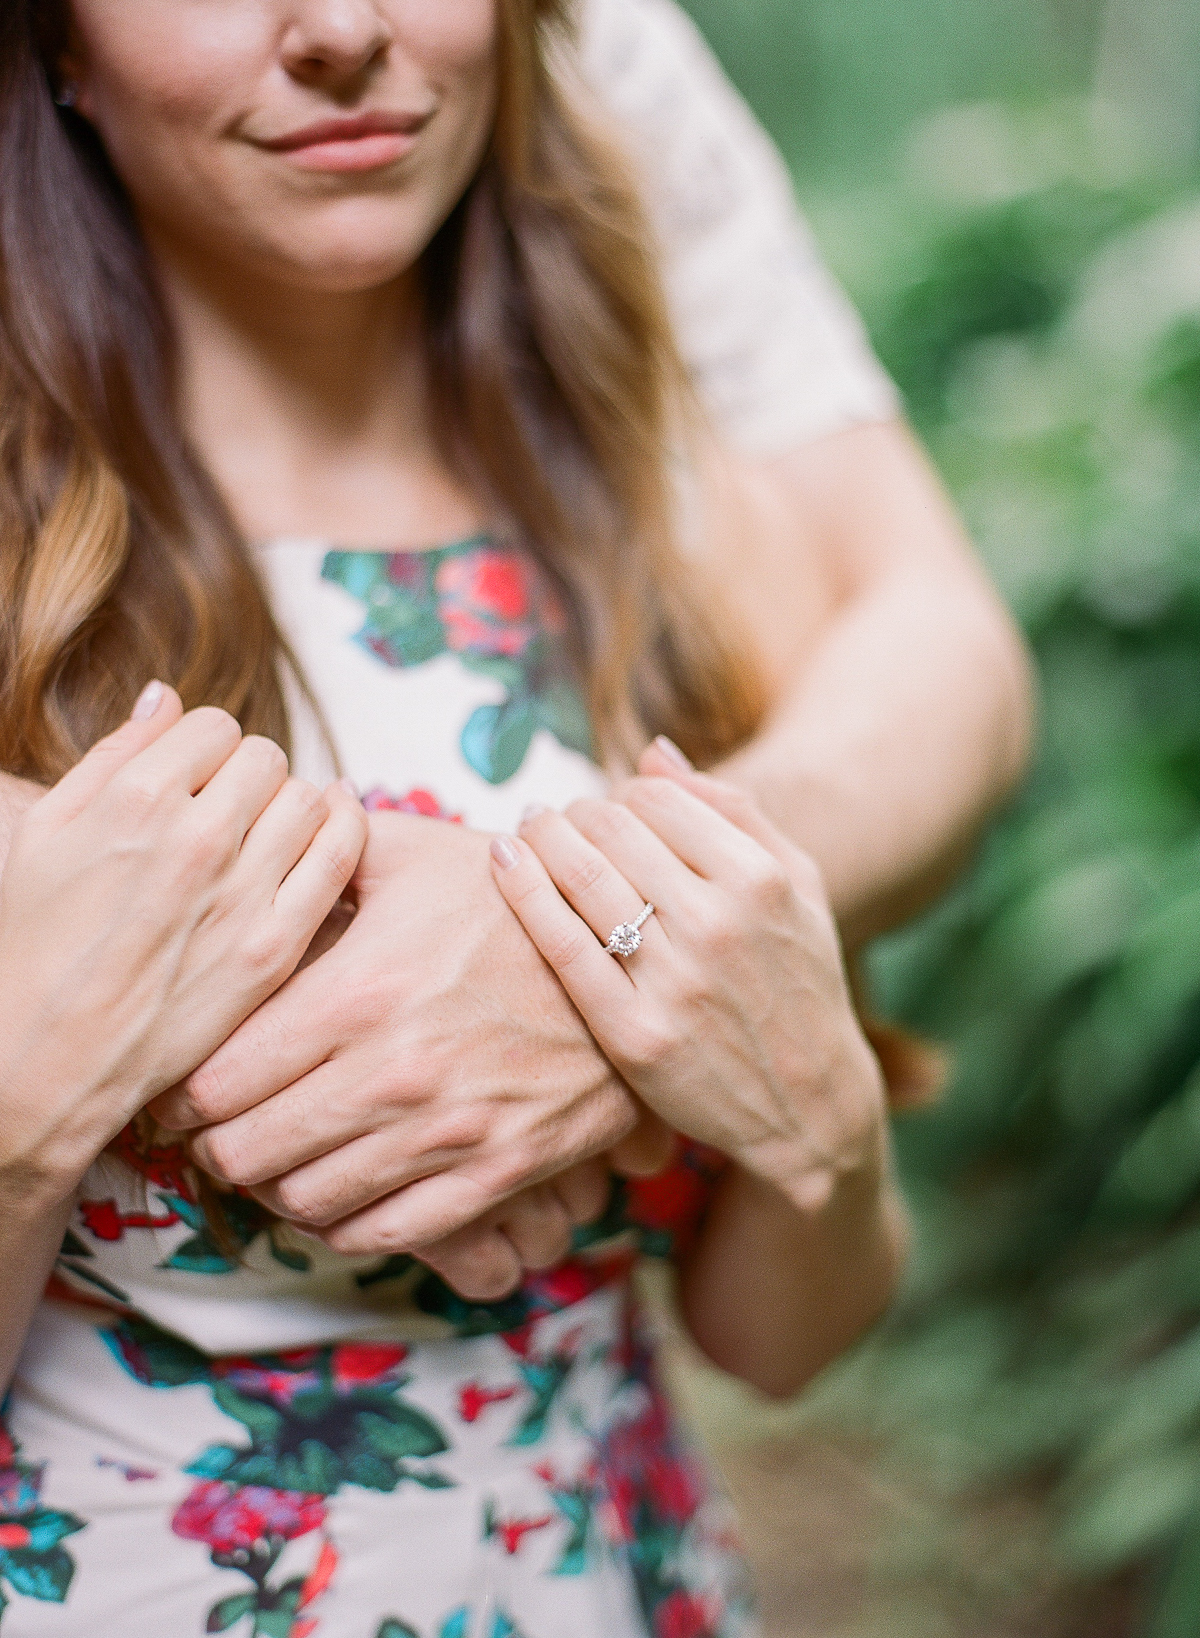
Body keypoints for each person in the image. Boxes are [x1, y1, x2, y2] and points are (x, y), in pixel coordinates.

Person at [0, 3, 1031, 1636]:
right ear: (57, 48)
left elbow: (786, 1332)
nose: (341, 29)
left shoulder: (674, 555)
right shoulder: (29, 615)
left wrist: (814, 1122)